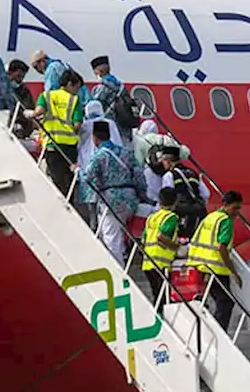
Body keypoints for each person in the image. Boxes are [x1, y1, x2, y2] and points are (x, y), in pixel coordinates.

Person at [79, 121, 149, 266]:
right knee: (120, 235)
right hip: (130, 200)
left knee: (111, 239)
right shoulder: (125, 152)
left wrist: (77, 170)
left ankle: (118, 272)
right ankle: (123, 260)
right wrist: (143, 196)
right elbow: (139, 175)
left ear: (94, 137)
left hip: (111, 201)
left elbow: (87, 177)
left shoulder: (99, 155)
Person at [187, 191, 244, 332]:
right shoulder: (226, 221)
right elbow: (221, 247)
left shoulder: (210, 218)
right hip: (216, 268)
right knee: (226, 303)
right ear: (225, 205)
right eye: (235, 208)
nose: (237, 213)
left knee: (218, 301)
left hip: (201, 265)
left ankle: (213, 330)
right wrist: (233, 271)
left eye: (239, 209)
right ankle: (218, 332)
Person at [33, 70, 84, 207]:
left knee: (56, 179)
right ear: (69, 84)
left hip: (52, 145)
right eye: (76, 88)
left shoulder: (46, 95)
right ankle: (69, 206)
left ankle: (58, 205)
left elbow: (38, 112)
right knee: (69, 181)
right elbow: (77, 125)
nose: (76, 92)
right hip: (70, 147)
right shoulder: (75, 100)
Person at [141, 188, 181, 306]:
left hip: (148, 262)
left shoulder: (151, 217)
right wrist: (176, 247)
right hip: (161, 263)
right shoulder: (171, 217)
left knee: (157, 296)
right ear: (176, 201)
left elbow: (144, 239)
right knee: (164, 297)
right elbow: (161, 237)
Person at [160, 150, 210, 238]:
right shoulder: (193, 173)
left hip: (181, 215)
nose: (162, 163)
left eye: (163, 160)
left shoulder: (169, 175)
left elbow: (167, 197)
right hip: (198, 213)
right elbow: (206, 194)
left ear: (168, 161)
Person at [90, 56, 137, 143]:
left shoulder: (103, 86)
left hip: (111, 125)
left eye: (95, 71)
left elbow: (95, 105)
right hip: (124, 123)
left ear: (100, 71)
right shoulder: (120, 85)